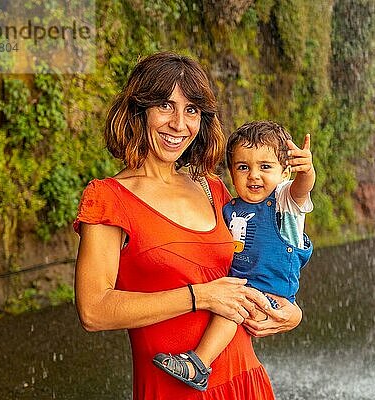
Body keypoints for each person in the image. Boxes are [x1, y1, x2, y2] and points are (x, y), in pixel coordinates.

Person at [72, 52, 303, 400]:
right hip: (172, 390)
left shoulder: (214, 188)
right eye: (166, 105)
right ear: (139, 110)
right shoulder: (109, 197)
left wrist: (291, 312)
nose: (179, 124)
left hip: (244, 380)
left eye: (192, 109)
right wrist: (200, 297)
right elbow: (94, 311)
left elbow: (262, 263)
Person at [153, 120, 315, 391]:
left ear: (285, 170)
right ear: (231, 172)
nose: (253, 175)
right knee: (233, 303)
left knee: (232, 310)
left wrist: (306, 171)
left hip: (268, 290)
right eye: (243, 167)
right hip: (239, 286)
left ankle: (198, 365)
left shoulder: (286, 202)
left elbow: (302, 189)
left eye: (265, 166)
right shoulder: (231, 208)